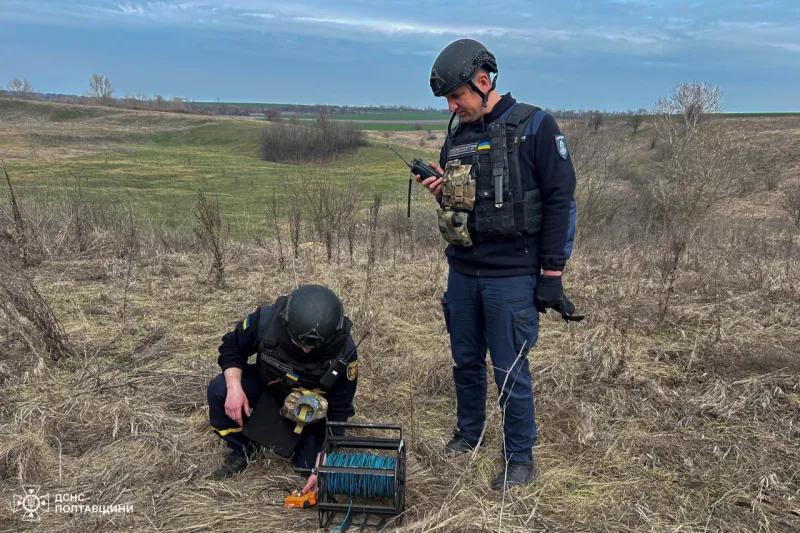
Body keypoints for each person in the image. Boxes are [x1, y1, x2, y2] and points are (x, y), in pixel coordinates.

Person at [418, 38, 580, 491]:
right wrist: (440, 188)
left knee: (509, 371)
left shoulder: (536, 126)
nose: (452, 106)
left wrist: (552, 274)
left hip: (511, 276)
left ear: (484, 81)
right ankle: (468, 435)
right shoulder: (458, 133)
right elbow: (465, 200)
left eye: (457, 96)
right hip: (463, 272)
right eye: (448, 99)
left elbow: (560, 201)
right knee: (465, 361)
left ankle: (519, 457)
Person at [206, 284, 359, 495]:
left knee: (309, 468)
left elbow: (340, 410)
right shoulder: (265, 321)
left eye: (313, 346)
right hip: (267, 387)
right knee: (219, 390)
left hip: (309, 411)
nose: (306, 349)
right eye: (299, 343)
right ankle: (243, 449)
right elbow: (231, 347)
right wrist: (234, 389)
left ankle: (302, 446)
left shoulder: (345, 352)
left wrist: (326, 455)